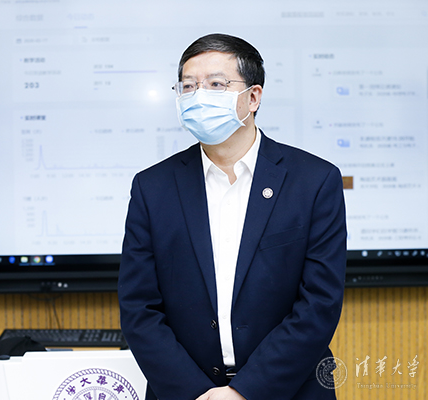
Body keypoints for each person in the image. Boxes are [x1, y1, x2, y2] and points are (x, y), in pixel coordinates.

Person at [118, 33, 347, 400]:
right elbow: (138, 308)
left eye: (216, 84)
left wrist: (244, 392)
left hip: (289, 391)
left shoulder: (314, 181)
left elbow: (318, 305)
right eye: (188, 86)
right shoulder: (152, 187)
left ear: (253, 97)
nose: (198, 96)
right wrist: (196, 393)